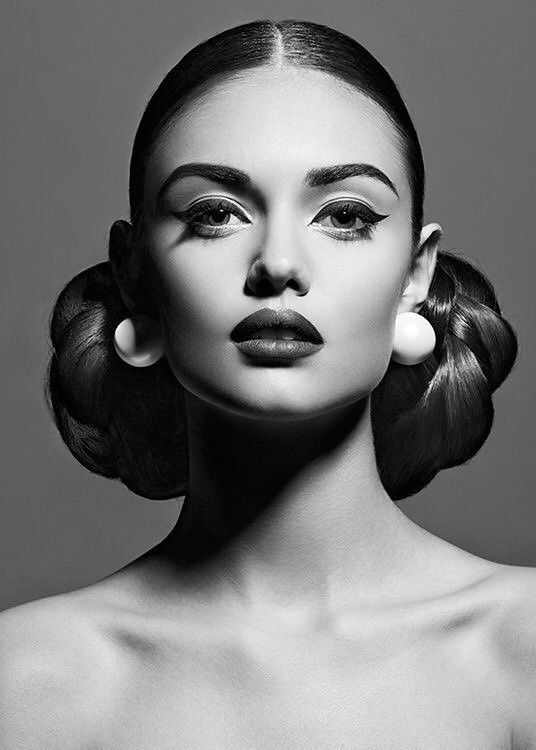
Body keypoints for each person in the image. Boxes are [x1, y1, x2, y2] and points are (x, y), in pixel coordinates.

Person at [0, 17, 534, 748]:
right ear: (135, 273)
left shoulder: (523, 657)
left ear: (417, 274)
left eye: (344, 215)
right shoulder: (26, 686)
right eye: (216, 214)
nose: (278, 263)